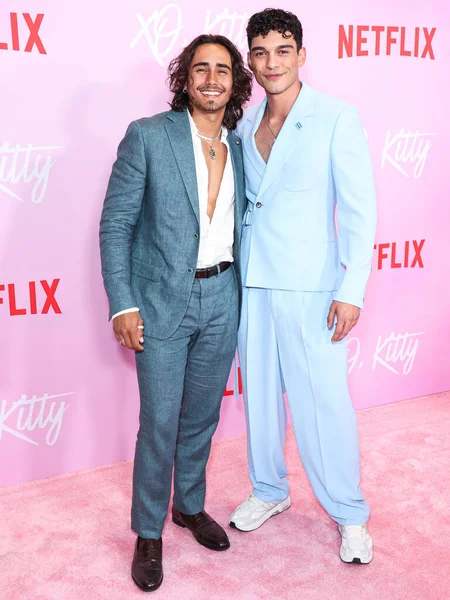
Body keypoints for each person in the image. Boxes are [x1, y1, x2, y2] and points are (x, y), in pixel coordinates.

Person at [100, 34, 251, 591]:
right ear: (184, 78)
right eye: (200, 68)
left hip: (224, 297)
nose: (211, 79)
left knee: (202, 418)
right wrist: (124, 302)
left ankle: (189, 506)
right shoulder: (147, 137)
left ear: (236, 82)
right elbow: (116, 224)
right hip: (162, 300)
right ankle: (148, 530)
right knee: (159, 423)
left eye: (222, 70)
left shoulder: (242, 146)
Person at [229, 9, 377, 564]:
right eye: (261, 52)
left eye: (282, 50)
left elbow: (361, 211)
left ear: (301, 55)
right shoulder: (244, 124)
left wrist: (352, 288)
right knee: (260, 397)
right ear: (251, 59)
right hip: (253, 282)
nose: (272, 63)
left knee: (323, 403)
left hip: (313, 285)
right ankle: (269, 490)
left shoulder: (336, 116)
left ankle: (350, 512)